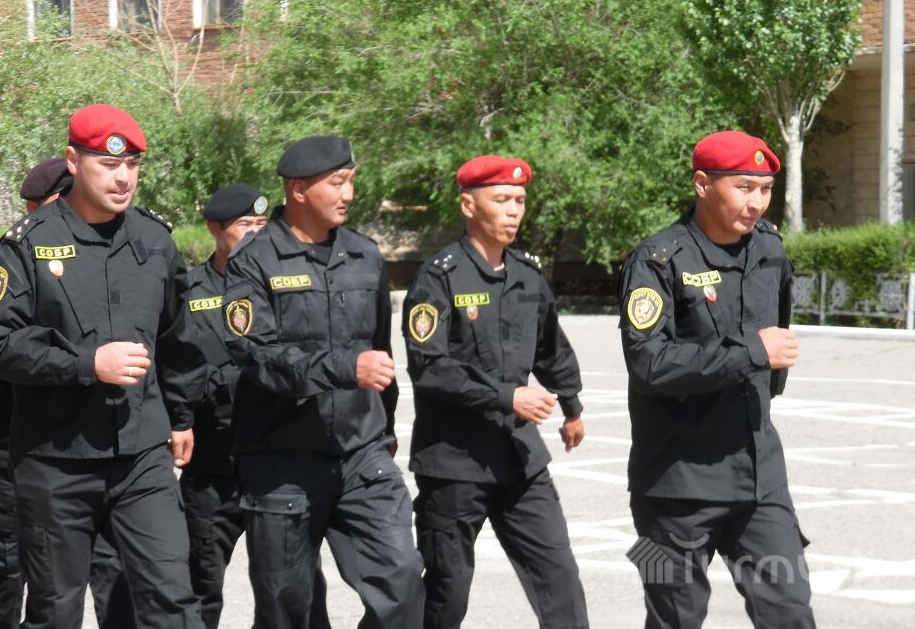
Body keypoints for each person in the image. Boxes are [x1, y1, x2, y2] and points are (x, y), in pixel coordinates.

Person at [0, 104, 203, 629]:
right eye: (108, 165)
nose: (123, 178)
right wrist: (86, 362)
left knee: (171, 597)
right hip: (56, 460)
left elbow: (177, 339)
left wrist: (182, 416)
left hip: (141, 454)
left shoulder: (154, 240)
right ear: (73, 162)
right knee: (56, 610)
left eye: (132, 166)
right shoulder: (27, 245)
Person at [223, 135, 425, 629]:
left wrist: (385, 431)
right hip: (280, 460)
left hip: (361, 453)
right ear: (298, 189)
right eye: (337, 183)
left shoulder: (365, 255)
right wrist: (343, 368)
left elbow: (379, 353)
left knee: (402, 582)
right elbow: (254, 354)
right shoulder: (254, 260)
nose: (348, 194)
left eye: (350, 181)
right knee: (287, 608)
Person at [618, 130, 812, 629]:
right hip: (673, 487)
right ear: (703, 184)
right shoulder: (657, 259)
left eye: (765, 190)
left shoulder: (770, 248)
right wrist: (751, 353)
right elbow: (648, 363)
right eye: (744, 187)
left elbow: (776, 337)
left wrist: (762, 363)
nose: (757, 203)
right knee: (673, 618)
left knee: (790, 611)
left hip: (760, 480)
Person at [404, 154, 589, 629]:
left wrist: (571, 406)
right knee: (447, 594)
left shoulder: (527, 273)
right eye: (502, 199)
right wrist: (507, 397)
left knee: (561, 582)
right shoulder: (438, 277)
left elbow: (550, 347)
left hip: (518, 457)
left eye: (520, 201)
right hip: (454, 465)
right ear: (469, 205)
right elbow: (430, 368)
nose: (513, 211)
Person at [0, 156, 133, 629]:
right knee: (7, 571)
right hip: (14, 449)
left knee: (110, 575)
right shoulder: (16, 258)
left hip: (96, 450)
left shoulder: (110, 258)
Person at [183, 184, 331, 629]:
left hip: (278, 464)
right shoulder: (187, 292)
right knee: (200, 585)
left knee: (296, 588)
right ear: (215, 229)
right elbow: (175, 368)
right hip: (214, 465)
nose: (254, 234)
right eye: (244, 224)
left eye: (262, 225)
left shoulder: (285, 284)